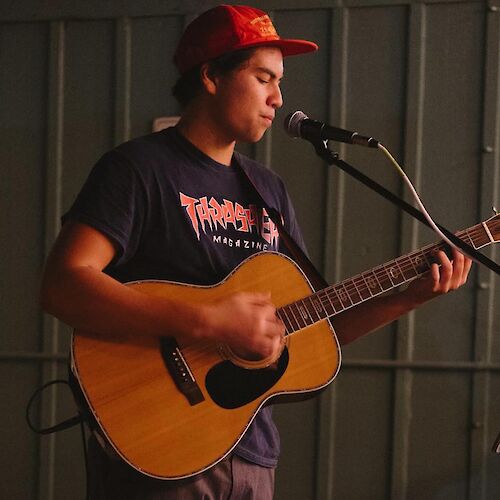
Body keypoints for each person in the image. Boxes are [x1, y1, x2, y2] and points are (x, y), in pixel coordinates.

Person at [40, 4, 472, 499]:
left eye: (280, 82)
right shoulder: (137, 169)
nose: (278, 98)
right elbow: (62, 285)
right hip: (162, 442)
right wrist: (207, 322)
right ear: (211, 77)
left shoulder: (267, 190)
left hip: (251, 455)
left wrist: (409, 297)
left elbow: (312, 330)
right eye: (263, 77)